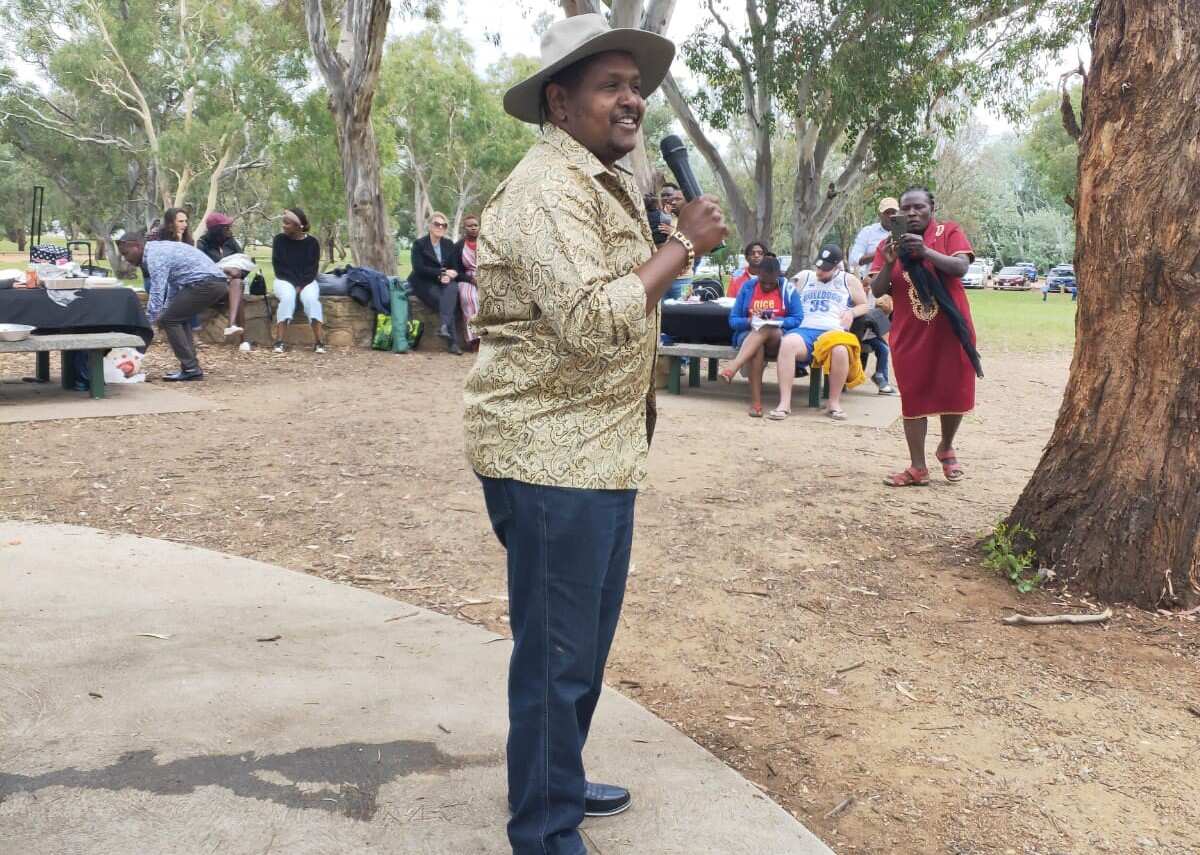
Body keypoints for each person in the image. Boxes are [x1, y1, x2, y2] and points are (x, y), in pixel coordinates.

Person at [462, 14, 727, 855]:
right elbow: (591, 318)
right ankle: (543, 830)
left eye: (636, 86)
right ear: (560, 100)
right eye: (611, 85)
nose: (632, 100)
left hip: (597, 450)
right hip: (548, 454)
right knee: (558, 656)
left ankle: (559, 781)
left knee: (584, 643)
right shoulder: (545, 191)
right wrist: (683, 245)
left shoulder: (600, 181)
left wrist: (661, 235)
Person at [869, 186, 978, 486]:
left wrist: (925, 251)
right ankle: (918, 467)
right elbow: (877, 290)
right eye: (906, 209)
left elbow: (961, 267)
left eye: (919, 207)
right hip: (909, 333)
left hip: (950, 331)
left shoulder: (948, 232)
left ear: (931, 207)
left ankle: (946, 447)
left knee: (954, 390)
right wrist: (890, 260)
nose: (912, 213)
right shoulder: (886, 244)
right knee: (913, 395)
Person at [771, 244, 871, 420]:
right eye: (818, 266)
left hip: (833, 331)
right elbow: (782, 294)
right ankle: (784, 403)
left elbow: (864, 304)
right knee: (787, 344)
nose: (820, 271)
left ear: (837, 266)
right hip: (805, 329)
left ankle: (834, 402)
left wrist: (851, 312)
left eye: (825, 269)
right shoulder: (805, 277)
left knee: (840, 350)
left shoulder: (848, 280)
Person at [116, 232, 229, 381]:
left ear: (137, 246)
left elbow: (157, 290)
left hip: (206, 284)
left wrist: (148, 321)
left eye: (126, 253)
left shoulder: (154, 256)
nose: (126, 258)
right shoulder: (158, 250)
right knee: (176, 318)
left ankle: (191, 368)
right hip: (209, 283)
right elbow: (173, 284)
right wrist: (166, 309)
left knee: (169, 320)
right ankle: (191, 367)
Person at [717, 255, 801, 417]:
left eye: (771, 282)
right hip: (749, 336)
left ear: (779, 276)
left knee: (768, 327)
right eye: (763, 282)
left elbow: (797, 318)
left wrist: (776, 320)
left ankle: (733, 366)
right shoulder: (748, 288)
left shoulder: (788, 289)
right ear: (758, 275)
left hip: (778, 339)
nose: (767, 286)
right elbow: (733, 321)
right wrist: (751, 320)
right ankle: (756, 404)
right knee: (757, 347)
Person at [271, 207, 324, 354]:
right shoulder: (279, 240)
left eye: (287, 223)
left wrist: (300, 285)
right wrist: (294, 285)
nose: (283, 226)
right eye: (283, 222)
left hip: (307, 281)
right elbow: (279, 268)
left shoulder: (312, 243)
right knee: (288, 297)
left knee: (311, 300)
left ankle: (319, 342)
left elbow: (312, 269)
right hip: (283, 280)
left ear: (297, 226)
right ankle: (279, 341)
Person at [409, 211, 461, 354]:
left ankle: (444, 326)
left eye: (443, 225)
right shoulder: (419, 245)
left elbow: (455, 267)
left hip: (443, 281)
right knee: (444, 300)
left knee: (453, 287)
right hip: (423, 282)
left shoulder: (448, 244)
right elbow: (418, 268)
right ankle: (453, 343)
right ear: (430, 226)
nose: (440, 227)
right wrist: (440, 274)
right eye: (437, 224)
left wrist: (450, 275)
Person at [196, 212, 246, 339]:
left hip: (232, 284)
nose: (229, 230)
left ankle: (231, 324)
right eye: (226, 228)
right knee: (238, 292)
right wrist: (226, 270)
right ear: (216, 230)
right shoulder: (202, 244)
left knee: (238, 283)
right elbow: (202, 267)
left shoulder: (231, 242)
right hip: (212, 286)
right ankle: (244, 340)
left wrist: (240, 272)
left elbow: (244, 261)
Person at [850, 197, 898, 278]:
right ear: (880, 214)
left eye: (893, 212)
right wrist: (880, 253)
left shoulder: (906, 231)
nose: (890, 216)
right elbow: (854, 260)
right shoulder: (868, 232)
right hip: (873, 283)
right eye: (886, 212)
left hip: (900, 282)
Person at [453, 214, 481, 351]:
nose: (473, 228)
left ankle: (493, 338)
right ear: (465, 228)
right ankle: (475, 339)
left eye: (475, 225)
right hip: (466, 278)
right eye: (470, 226)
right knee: (469, 298)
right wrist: (471, 279)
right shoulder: (458, 246)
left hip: (486, 276)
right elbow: (455, 271)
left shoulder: (486, 243)